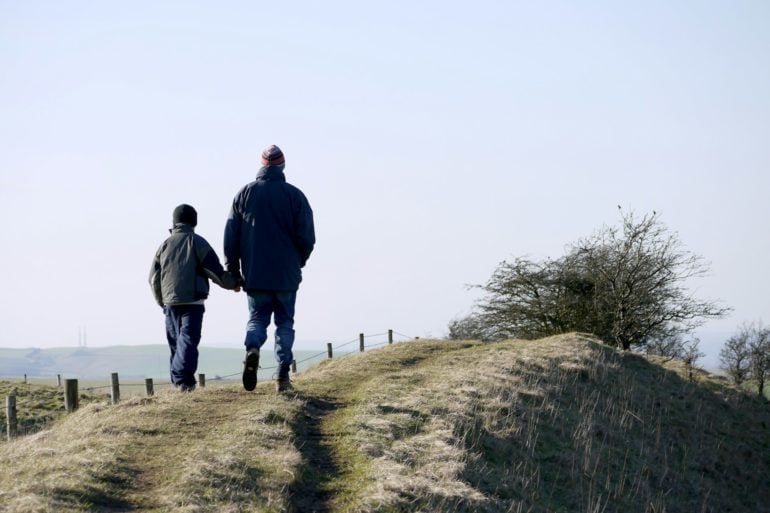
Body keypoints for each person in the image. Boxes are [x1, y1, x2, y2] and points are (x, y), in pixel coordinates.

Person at [224, 144, 315, 392]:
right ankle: (282, 375)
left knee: (257, 320)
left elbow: (230, 236)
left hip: (255, 273)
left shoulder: (244, 194)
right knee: (284, 323)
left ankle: (252, 348)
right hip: (286, 274)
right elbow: (307, 237)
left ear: (261, 166)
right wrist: (299, 261)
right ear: (282, 166)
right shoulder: (296, 196)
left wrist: (233, 271)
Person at [150, 204, 239, 391]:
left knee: (176, 344)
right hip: (193, 301)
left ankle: (179, 383)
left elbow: (153, 279)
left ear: (174, 222)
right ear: (194, 222)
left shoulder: (163, 246)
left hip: (169, 304)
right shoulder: (197, 242)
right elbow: (215, 272)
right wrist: (234, 284)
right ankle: (184, 382)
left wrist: (162, 301)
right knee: (188, 340)